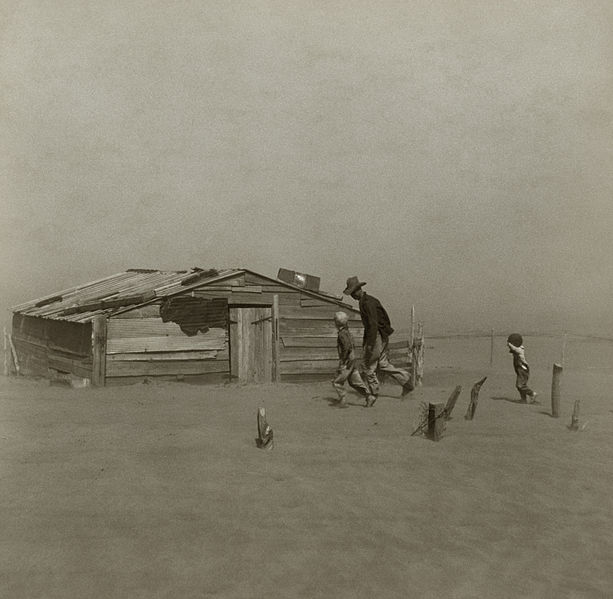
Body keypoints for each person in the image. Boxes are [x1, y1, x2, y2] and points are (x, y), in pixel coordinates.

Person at [342, 276, 413, 407]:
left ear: (357, 290)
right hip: (380, 335)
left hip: (377, 336)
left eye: (352, 293)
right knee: (383, 364)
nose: (352, 296)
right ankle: (406, 380)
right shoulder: (366, 301)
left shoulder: (367, 303)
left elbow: (373, 325)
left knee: (369, 366)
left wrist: (369, 344)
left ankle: (373, 394)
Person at [331, 311, 372, 407]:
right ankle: (369, 396)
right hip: (353, 359)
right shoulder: (348, 332)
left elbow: (346, 347)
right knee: (355, 381)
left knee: (337, 381)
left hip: (347, 360)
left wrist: (343, 360)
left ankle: (343, 400)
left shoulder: (341, 334)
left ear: (337, 322)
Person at [507, 333, 537, 403]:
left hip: (523, 370)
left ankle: (532, 394)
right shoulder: (516, 349)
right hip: (519, 369)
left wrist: (509, 343)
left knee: (519, 385)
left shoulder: (520, 350)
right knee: (522, 385)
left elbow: (514, 348)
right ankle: (523, 399)